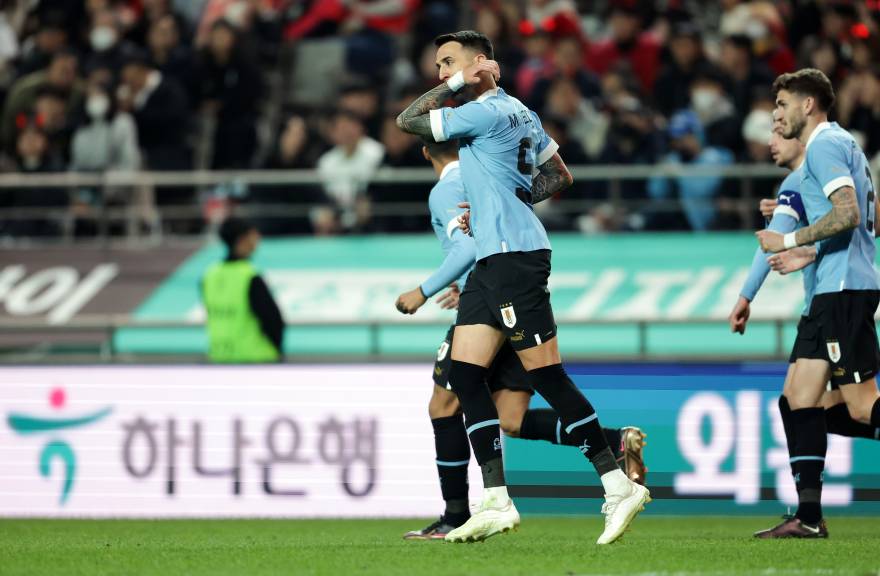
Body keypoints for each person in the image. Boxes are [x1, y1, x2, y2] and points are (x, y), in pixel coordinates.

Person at [396, 30, 649, 544]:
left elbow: (408, 120)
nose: (442, 74)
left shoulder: (482, 111)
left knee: (548, 377)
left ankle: (617, 484)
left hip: (515, 258)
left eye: (449, 63)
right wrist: (501, 203)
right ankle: (496, 500)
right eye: (439, 66)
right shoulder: (521, 112)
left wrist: (459, 85)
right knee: (465, 375)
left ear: (479, 62)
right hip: (495, 256)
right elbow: (558, 176)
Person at [729, 119, 880, 540]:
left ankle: (809, 514)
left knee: (857, 407)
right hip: (822, 302)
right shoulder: (816, 177)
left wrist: (746, 294)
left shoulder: (805, 173)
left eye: (779, 129)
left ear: (800, 135)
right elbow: (857, 224)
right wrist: (806, 246)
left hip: (837, 297)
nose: (771, 141)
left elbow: (773, 239)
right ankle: (809, 515)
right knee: (798, 403)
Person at [201, 217, 284, 363]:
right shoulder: (249, 276)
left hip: (219, 355)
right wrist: (277, 350)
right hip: (255, 357)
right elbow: (272, 320)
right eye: (253, 235)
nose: (257, 240)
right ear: (242, 239)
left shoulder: (210, 275)